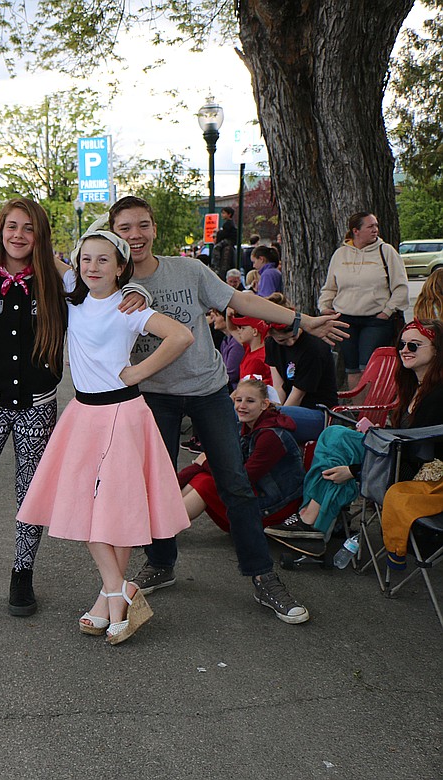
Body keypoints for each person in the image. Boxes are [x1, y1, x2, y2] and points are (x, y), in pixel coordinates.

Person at [108, 194, 348, 624]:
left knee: (235, 483)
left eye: (142, 225)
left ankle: (262, 578)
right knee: (156, 485)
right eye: (124, 228)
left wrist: (301, 321)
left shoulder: (189, 270)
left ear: (154, 228)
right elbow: (67, 306)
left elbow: (242, 302)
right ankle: (161, 562)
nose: (135, 235)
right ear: (114, 233)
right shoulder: (110, 280)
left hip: (208, 390)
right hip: (153, 396)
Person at [0, 198, 147, 623]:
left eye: (28, 228)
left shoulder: (58, 279)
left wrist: (138, 290)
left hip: (38, 409)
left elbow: (103, 292)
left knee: (31, 497)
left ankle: (22, 575)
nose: (18, 235)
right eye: (11, 226)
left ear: (39, 235)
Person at [17, 226, 193, 645]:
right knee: (86, 503)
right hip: (83, 413)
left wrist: (138, 371)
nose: (92, 266)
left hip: (123, 412)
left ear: (120, 268)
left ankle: (111, 597)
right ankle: (118, 591)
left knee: (115, 506)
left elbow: (180, 335)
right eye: (86, 259)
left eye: (103, 260)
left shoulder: (129, 306)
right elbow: (41, 254)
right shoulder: (73, 298)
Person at [267, 319, 443, 546]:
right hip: (396, 455)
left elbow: (416, 455)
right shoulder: (413, 387)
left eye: (414, 346)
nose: (404, 351)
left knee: (337, 449)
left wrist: (354, 471)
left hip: (417, 473)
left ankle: (312, 521)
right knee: (333, 435)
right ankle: (315, 521)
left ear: (438, 350)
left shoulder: (437, 397)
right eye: (402, 345)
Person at [177, 378, 303, 532]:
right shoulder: (244, 427)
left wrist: (204, 463)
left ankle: (163, 529)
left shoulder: (271, 436)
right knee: (202, 477)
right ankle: (159, 522)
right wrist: (178, 480)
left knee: (207, 484)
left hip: (276, 507)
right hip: (257, 495)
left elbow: (243, 478)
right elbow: (204, 465)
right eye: (238, 400)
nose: (242, 406)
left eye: (250, 401)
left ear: (264, 404)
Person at [319, 212, 409, 389]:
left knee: (368, 366)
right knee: (352, 369)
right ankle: (359, 413)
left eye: (376, 225)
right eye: (370, 226)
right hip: (345, 319)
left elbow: (400, 286)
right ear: (356, 231)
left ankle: (374, 411)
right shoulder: (340, 254)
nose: (375, 230)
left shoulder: (386, 251)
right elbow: (330, 287)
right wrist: (324, 307)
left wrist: (387, 312)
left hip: (376, 320)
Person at [264, 293, 338, 442]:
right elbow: (279, 387)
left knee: (266, 423)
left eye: (294, 336)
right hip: (294, 408)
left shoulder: (313, 348)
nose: (290, 342)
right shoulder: (271, 344)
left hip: (318, 412)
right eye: (283, 340)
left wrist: (276, 417)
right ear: (271, 335)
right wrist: (275, 409)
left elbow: (297, 395)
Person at [214, 206, 239, 275]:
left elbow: (224, 233)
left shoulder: (228, 224)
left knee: (216, 248)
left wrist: (219, 232)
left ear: (229, 214)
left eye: (224, 213)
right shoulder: (230, 223)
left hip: (229, 241)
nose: (222, 215)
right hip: (230, 241)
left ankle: (215, 264)